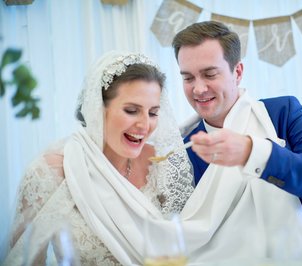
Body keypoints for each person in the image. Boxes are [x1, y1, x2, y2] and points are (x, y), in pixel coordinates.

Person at [3, 51, 194, 265]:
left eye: (152, 113)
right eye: (131, 110)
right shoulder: (50, 172)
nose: (144, 125)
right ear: (97, 108)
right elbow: (23, 260)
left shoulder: (161, 163)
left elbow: (185, 242)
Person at [172, 21, 302, 209]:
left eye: (210, 74)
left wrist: (252, 151)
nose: (198, 89)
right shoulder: (184, 150)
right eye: (188, 78)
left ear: (237, 72)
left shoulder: (282, 113)